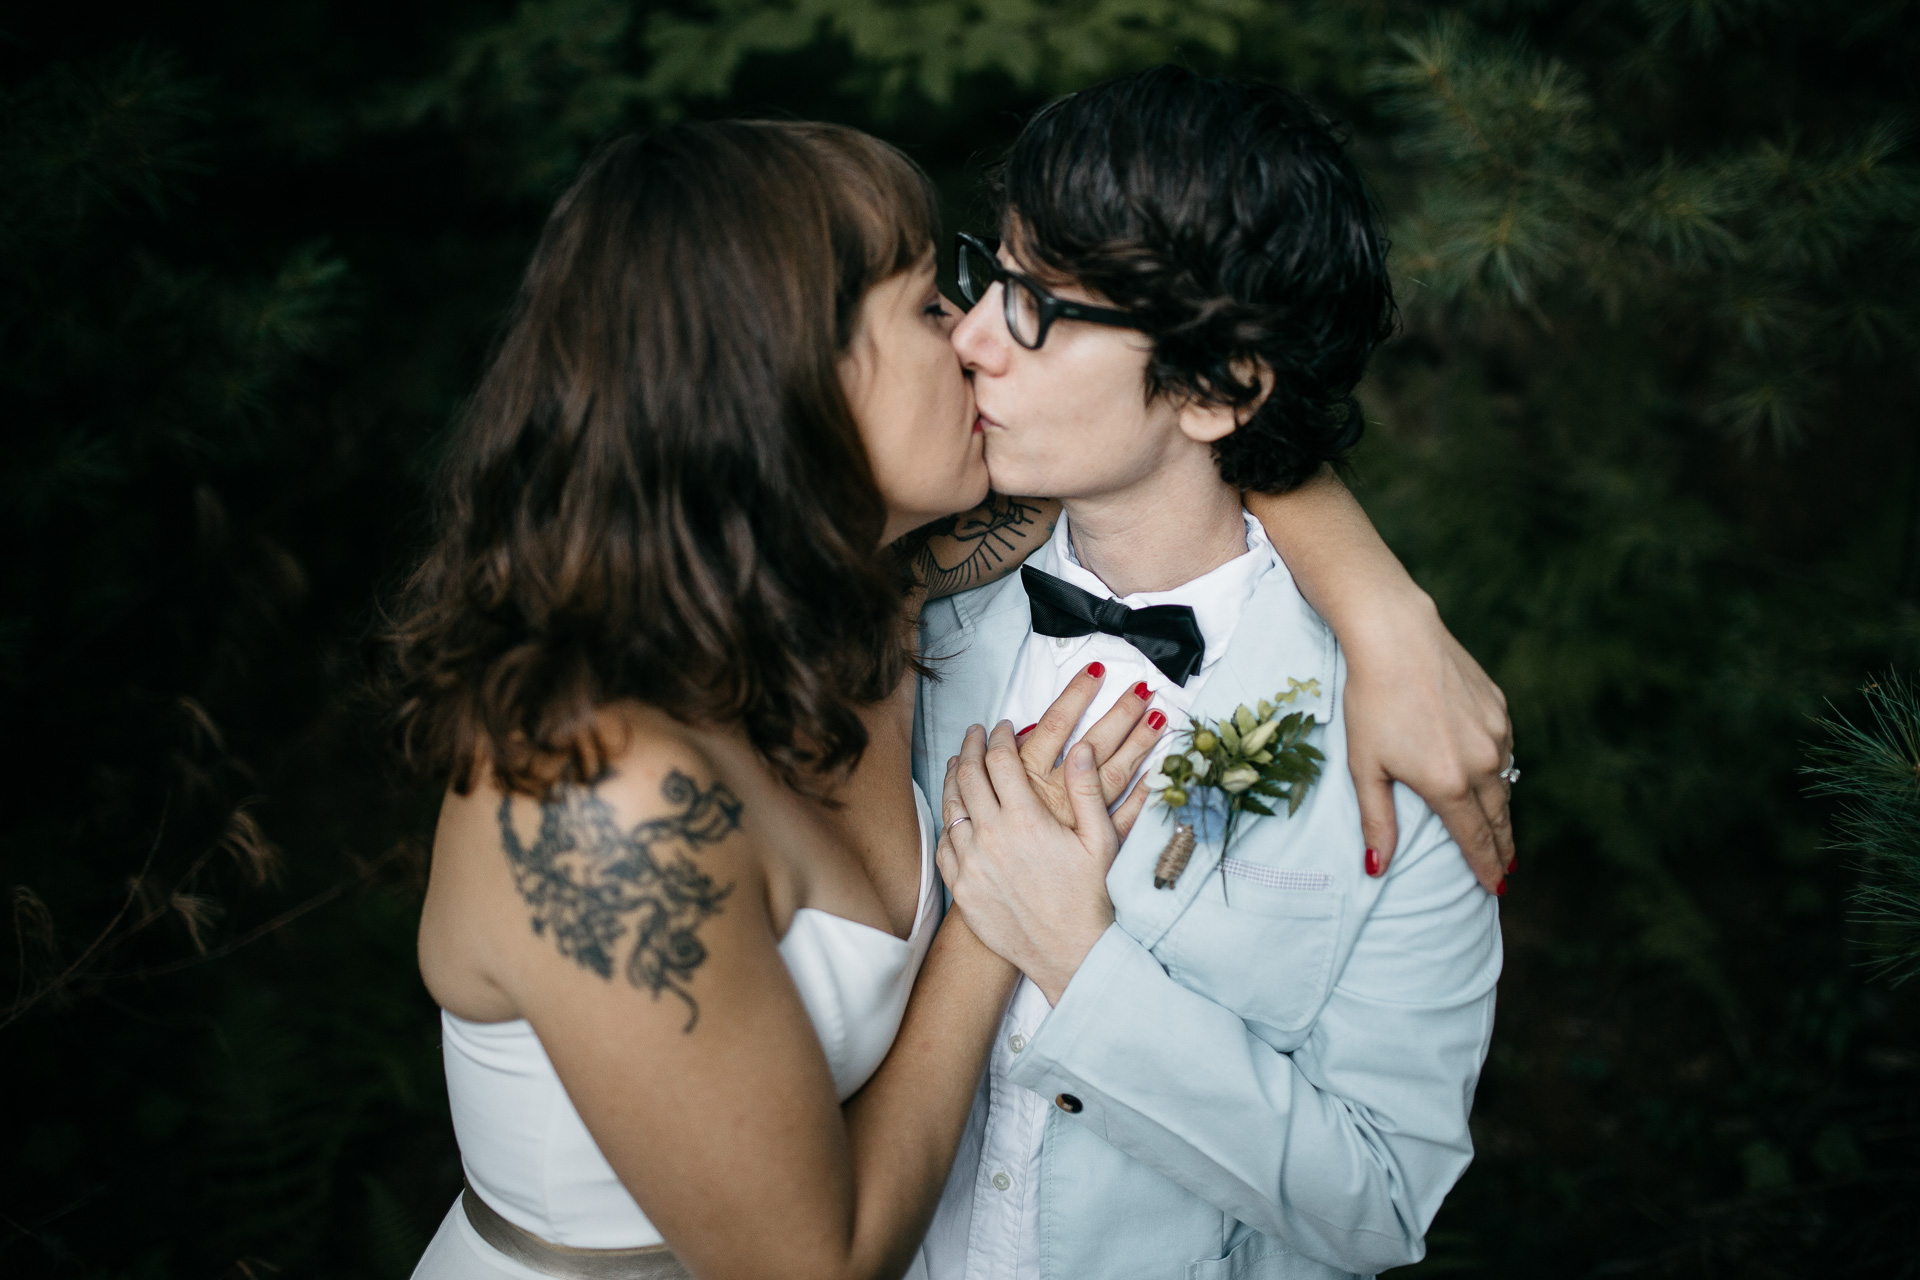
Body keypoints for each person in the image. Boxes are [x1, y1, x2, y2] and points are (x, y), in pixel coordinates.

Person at [385, 114, 1508, 1280]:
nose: (974, 336)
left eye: (1000, 298)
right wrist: (995, 919)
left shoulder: (879, 609)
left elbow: (1196, 430)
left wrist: (1383, 612)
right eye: (934, 305)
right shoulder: (594, 797)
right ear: (771, 382)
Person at [916, 67, 1504, 1280]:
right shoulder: (902, 624)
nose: (972, 333)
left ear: (1219, 387)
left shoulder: (1399, 738)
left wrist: (1079, 961)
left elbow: (1381, 1202)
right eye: (997, 270)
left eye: (1043, 305)